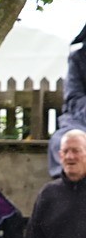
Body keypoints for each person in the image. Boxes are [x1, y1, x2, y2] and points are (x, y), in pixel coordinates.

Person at [47, 24, 86, 177]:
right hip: (80, 120)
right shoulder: (78, 58)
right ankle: (68, 183)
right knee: (62, 141)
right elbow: (73, 96)